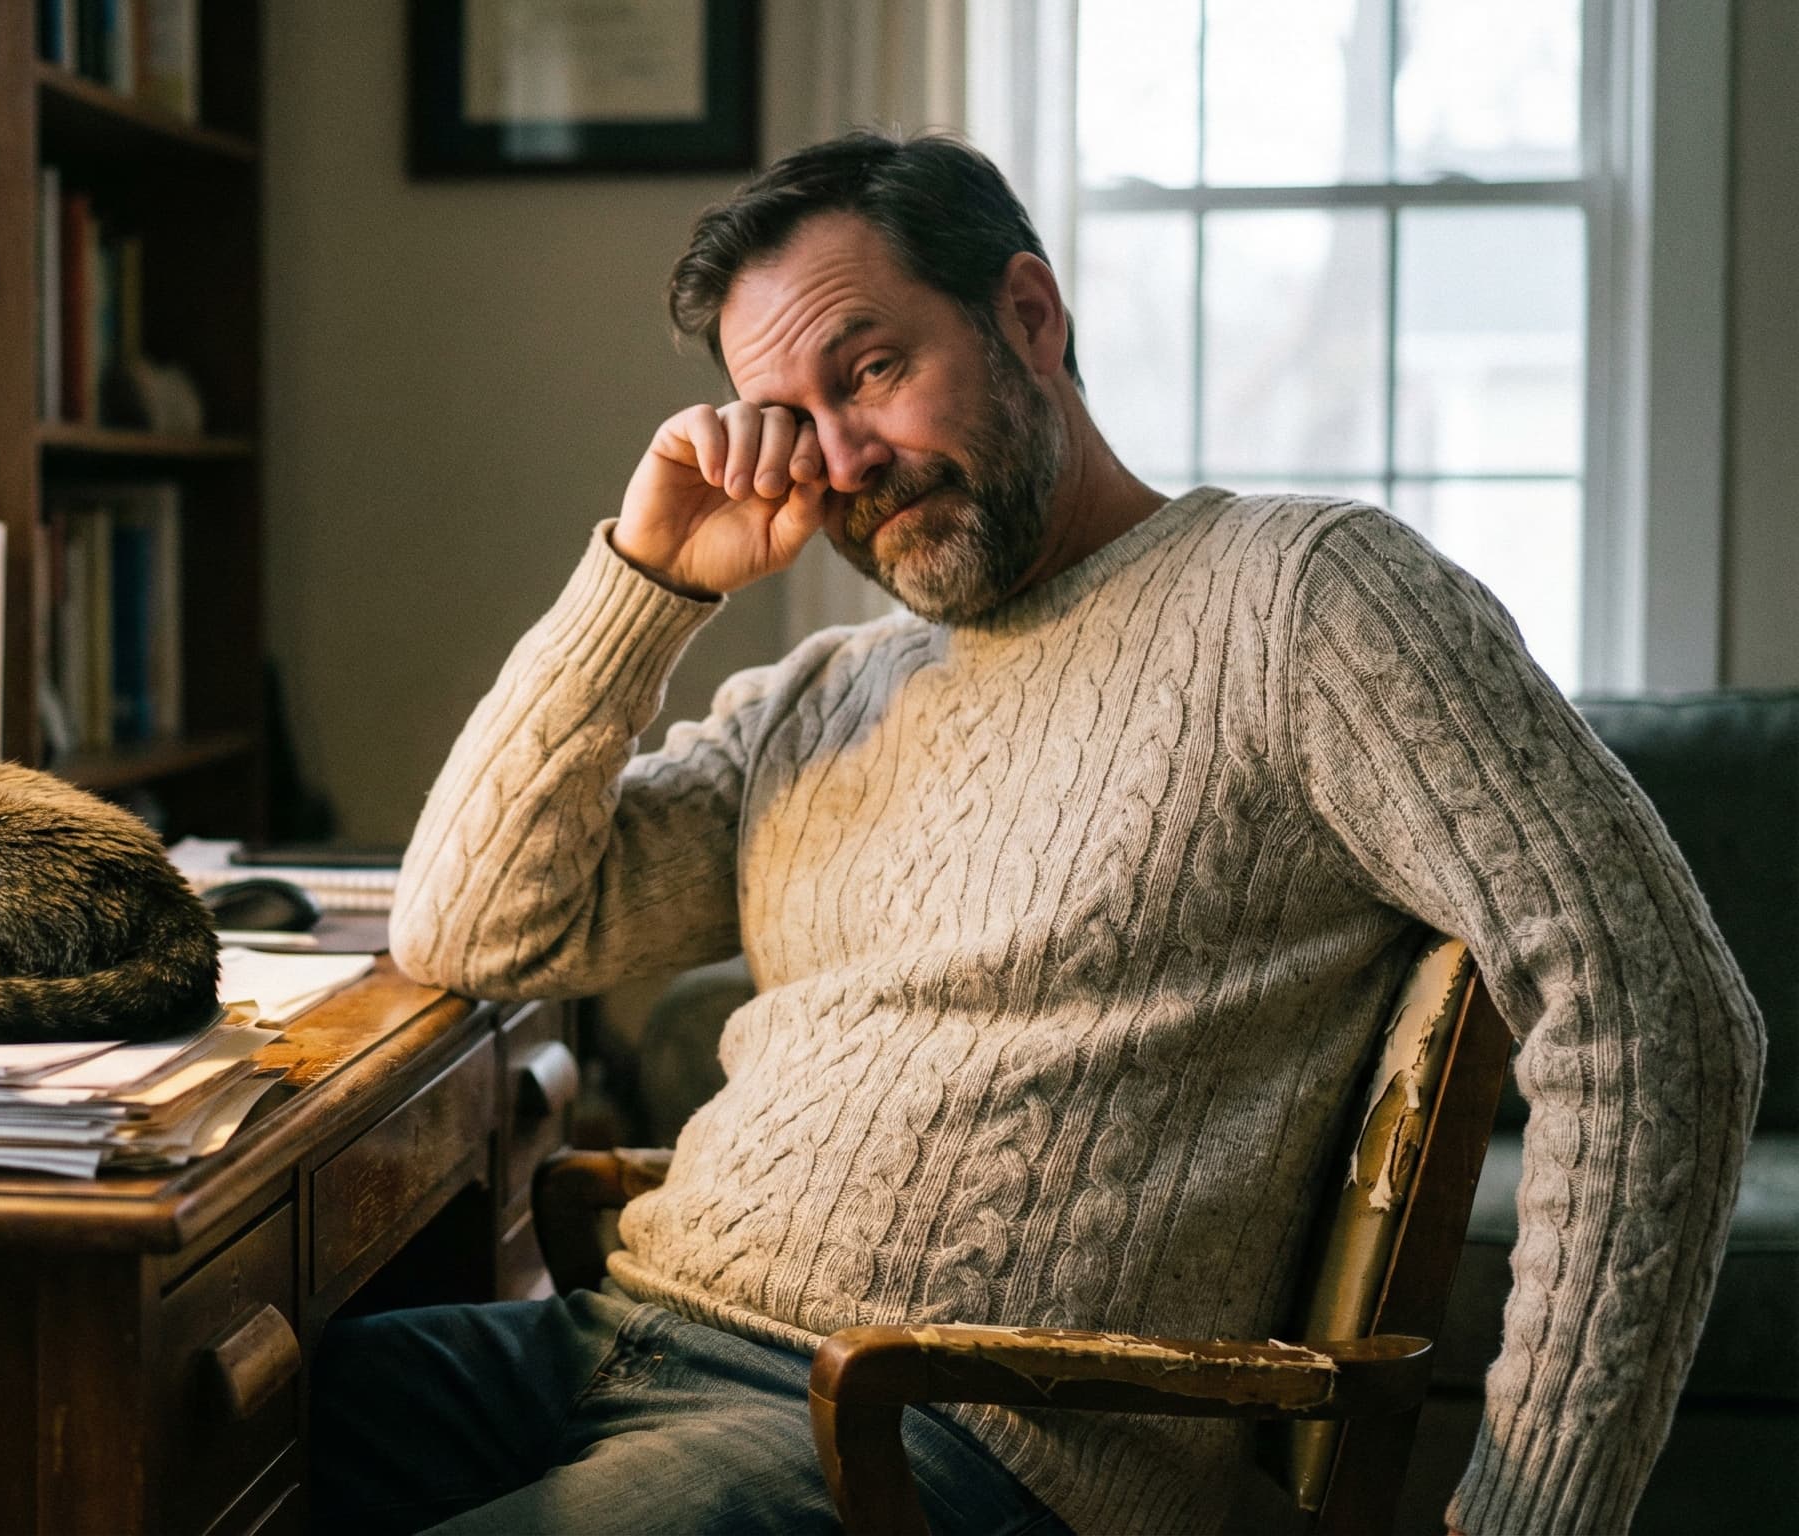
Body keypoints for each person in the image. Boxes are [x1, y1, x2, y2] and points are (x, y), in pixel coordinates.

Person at [315, 131, 1764, 1536]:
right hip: (617, 1346)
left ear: (1028, 313)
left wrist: (1531, 1515)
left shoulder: (1303, 599)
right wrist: (646, 580)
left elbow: (1660, 1012)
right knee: (156, 1444)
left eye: (871, 369)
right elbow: (474, 925)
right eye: (792, 423)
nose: (843, 457)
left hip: (938, 1441)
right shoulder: (825, 692)